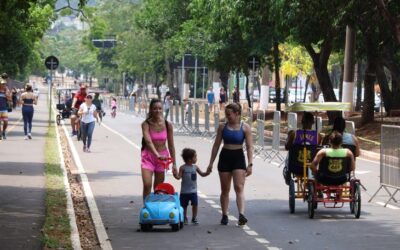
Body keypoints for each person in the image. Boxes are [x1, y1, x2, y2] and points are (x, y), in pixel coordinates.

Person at [206, 103, 253, 226]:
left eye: (229, 114)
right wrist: (211, 162)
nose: (227, 116)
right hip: (225, 157)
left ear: (237, 114)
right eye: (226, 114)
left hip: (238, 157)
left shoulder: (245, 128)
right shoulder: (222, 127)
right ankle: (224, 214)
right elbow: (216, 145)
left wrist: (250, 164)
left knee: (239, 187)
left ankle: (241, 214)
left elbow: (249, 147)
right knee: (225, 189)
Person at [141, 99, 177, 200]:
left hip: (163, 158)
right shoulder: (145, 124)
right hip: (148, 157)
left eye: (160, 108)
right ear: (151, 110)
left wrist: (174, 164)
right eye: (155, 108)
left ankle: (155, 210)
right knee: (147, 184)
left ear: (163, 109)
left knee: (158, 188)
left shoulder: (167, 125)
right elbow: (148, 142)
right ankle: (147, 207)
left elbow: (171, 145)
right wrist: (157, 155)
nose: (158, 111)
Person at [283, 112, 321, 184]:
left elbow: (287, 147)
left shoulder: (294, 133)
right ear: (313, 123)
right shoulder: (318, 136)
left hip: (295, 166)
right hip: (311, 166)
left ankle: (287, 172)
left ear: (302, 122)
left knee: (291, 151)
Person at [174, 148, 210, 225]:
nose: (196, 159)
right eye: (195, 157)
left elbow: (202, 174)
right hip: (184, 191)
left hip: (193, 191)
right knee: (184, 205)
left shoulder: (195, 167)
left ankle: (194, 218)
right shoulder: (182, 168)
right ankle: (184, 217)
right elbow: (178, 177)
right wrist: (175, 174)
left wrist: (207, 172)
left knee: (195, 204)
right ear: (190, 159)